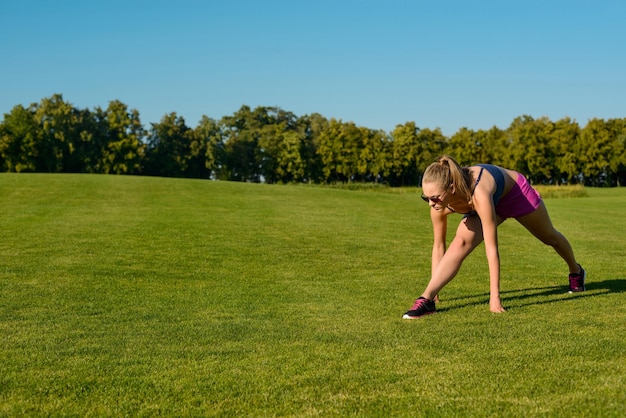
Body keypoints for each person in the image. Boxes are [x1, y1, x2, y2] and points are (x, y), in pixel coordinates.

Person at [403, 155, 586, 319]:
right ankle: (426, 300)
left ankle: (576, 271)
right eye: (425, 198)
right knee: (461, 241)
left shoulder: (478, 192)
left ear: (451, 188)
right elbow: (438, 246)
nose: (430, 204)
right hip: (488, 201)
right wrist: (435, 289)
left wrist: (495, 298)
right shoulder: (437, 207)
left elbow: (491, 249)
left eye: (435, 198)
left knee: (549, 237)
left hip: (515, 194)